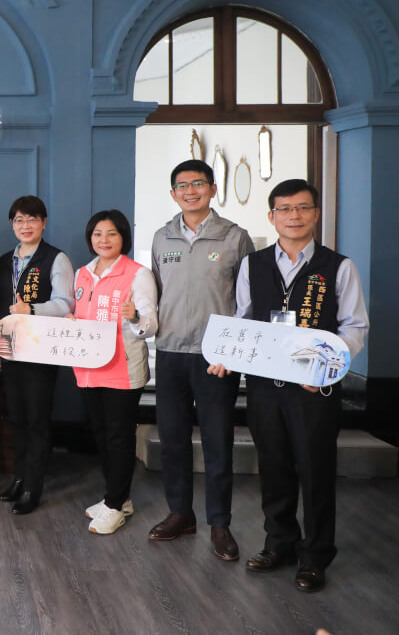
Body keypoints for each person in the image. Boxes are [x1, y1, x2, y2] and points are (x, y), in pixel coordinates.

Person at [209, 179, 368, 593]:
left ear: (316, 213)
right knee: (273, 466)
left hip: (314, 390)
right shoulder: (253, 264)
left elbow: (354, 327)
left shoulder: (339, 266)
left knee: (316, 470)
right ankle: (278, 543)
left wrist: (326, 369)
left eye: (302, 207)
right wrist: (226, 353)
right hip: (265, 386)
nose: (293, 215)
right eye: (284, 208)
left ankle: (315, 555)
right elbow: (243, 318)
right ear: (272, 216)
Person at [147, 159, 253, 560]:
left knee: (217, 441)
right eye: (182, 185)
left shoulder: (235, 237)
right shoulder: (162, 238)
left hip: (216, 357)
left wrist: (233, 349)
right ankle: (180, 513)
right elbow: (155, 293)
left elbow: (247, 301)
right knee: (173, 439)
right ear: (173, 193)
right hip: (171, 352)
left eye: (197, 184)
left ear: (212, 188)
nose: (190, 191)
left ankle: (220, 523)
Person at [71, 210, 157, 535]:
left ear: (123, 238)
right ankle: (119, 498)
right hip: (88, 368)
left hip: (123, 369)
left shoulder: (138, 274)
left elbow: (150, 327)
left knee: (119, 437)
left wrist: (135, 317)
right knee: (102, 434)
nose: (103, 240)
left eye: (111, 234)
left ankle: (114, 504)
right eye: (97, 234)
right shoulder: (82, 273)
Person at [0, 195, 75, 515]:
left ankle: (33, 487)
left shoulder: (56, 258)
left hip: (41, 351)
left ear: (44, 223)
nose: (25, 225)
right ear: (12, 224)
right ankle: (20, 477)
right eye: (19, 220)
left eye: (32, 219)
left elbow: (65, 304)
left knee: (37, 419)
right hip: (11, 350)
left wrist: (33, 309)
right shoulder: (3, 260)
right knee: (18, 418)